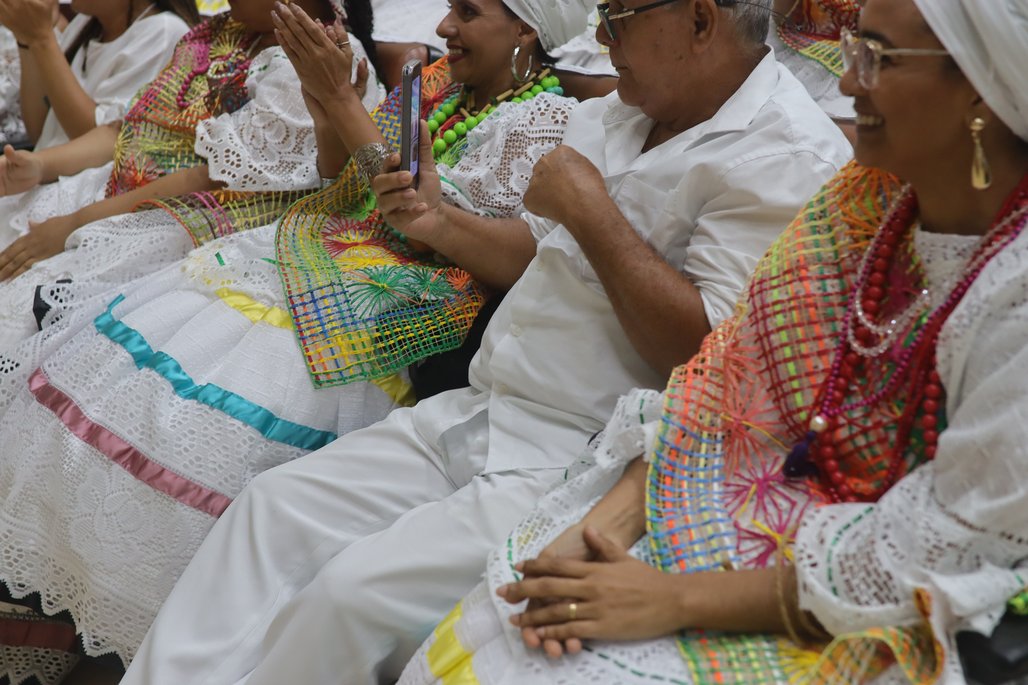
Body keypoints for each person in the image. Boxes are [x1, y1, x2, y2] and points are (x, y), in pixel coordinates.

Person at [121, 0, 853, 683]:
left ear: (700, 19)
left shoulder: (788, 154)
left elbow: (711, 359)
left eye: (619, 16)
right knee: (268, 510)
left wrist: (593, 210)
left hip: (582, 461)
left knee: (349, 596)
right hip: (482, 406)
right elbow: (539, 251)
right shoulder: (621, 115)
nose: (602, 40)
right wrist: (437, 223)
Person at [395, 0, 1028, 683]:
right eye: (852, 54)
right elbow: (722, 379)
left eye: (876, 56)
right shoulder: (863, 206)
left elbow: (936, 550)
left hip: (875, 595)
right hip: (728, 498)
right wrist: (599, 533)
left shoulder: (1012, 289)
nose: (847, 84)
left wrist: (674, 598)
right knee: (502, 618)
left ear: (980, 86)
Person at [0, 0, 584, 678]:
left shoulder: (547, 119)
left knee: (196, 427)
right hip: (312, 247)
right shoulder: (432, 84)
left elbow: (425, 220)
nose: (446, 26)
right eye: (450, 8)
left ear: (529, 32)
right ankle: (72, 611)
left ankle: (145, 635)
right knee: (98, 369)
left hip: (391, 298)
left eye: (470, 12)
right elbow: (342, 177)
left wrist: (340, 97)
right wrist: (323, 98)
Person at [0, 0, 382, 346]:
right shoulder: (219, 33)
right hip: (123, 191)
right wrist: (40, 166)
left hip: (198, 222)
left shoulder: (322, 63)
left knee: (28, 318)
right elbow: (131, 127)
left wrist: (74, 224)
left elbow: (214, 176)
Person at [0, 0, 197, 152]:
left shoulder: (162, 32)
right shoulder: (85, 24)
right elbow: (40, 133)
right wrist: (26, 38)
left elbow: (97, 145)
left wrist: (42, 39)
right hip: (43, 176)